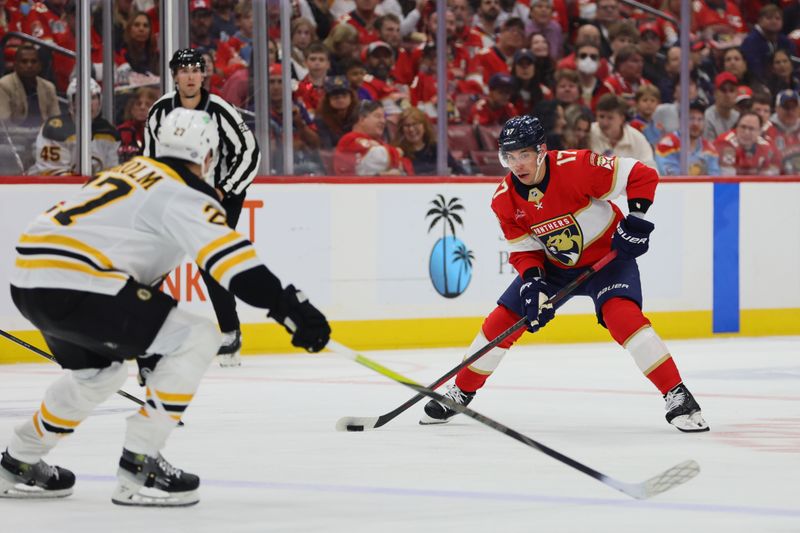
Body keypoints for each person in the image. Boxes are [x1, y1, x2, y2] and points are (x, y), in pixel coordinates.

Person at [0, 108, 330, 506]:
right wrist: (290, 310)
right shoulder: (184, 191)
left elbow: (129, 263)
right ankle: (141, 463)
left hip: (30, 280)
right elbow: (236, 268)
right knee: (201, 336)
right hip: (78, 282)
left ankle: (19, 459)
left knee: (97, 374)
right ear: (208, 156)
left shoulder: (128, 172)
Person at [419, 115, 709, 433]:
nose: (517, 164)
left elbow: (641, 175)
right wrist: (533, 283)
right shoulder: (504, 199)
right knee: (502, 321)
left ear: (541, 150)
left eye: (524, 154)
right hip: (555, 268)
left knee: (623, 318)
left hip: (608, 259)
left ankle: (678, 395)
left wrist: (636, 220)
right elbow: (525, 250)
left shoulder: (577, 166)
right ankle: (460, 391)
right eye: (510, 156)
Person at [144, 48, 261, 367]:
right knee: (155, 257)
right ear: (174, 76)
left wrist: (225, 189)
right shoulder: (159, 111)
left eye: (196, 69)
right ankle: (142, 326)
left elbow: (249, 153)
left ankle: (230, 332)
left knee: (209, 257)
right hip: (179, 194)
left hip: (221, 194)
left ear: (203, 74)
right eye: (184, 70)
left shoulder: (220, 109)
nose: (191, 75)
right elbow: (151, 158)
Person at [28, 77, 120, 176]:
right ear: (71, 102)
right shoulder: (55, 129)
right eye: (82, 98)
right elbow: (51, 173)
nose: (88, 103)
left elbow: (113, 171)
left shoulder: (110, 132)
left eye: (93, 98)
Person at [333, 100, 411, 175]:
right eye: (378, 116)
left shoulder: (379, 142)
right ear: (362, 119)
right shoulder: (349, 140)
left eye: (384, 117)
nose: (383, 121)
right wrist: (396, 152)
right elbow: (379, 159)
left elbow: (405, 165)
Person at [655, 99, 720, 176]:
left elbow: (715, 177)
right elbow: (671, 178)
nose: (695, 124)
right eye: (691, 118)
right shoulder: (667, 145)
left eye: (700, 119)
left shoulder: (710, 149)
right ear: (680, 120)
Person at [589, 94, 656, 168]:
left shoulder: (637, 139)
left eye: (610, 118)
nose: (605, 122)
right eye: (601, 116)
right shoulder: (588, 133)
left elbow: (651, 170)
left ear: (622, 118)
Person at [0, 44, 59, 128]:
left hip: (43, 137)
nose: (29, 65)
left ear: (40, 65)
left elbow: (56, 120)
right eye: (24, 61)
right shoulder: (3, 85)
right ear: (15, 64)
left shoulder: (49, 87)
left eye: (34, 61)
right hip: (15, 137)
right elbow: (4, 124)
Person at [393, 107, 464, 175]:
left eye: (415, 124)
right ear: (401, 129)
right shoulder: (397, 152)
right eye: (407, 125)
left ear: (424, 126)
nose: (411, 129)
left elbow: (459, 172)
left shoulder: (437, 149)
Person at [714, 111, 781, 176]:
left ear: (759, 131)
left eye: (751, 129)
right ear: (737, 127)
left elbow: (773, 177)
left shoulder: (767, 146)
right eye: (743, 127)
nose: (746, 132)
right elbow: (726, 179)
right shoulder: (725, 143)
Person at [315, 75, 359, 149]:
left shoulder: (359, 116)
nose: (341, 100)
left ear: (351, 97)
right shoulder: (321, 120)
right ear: (328, 100)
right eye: (336, 97)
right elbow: (327, 148)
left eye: (344, 96)